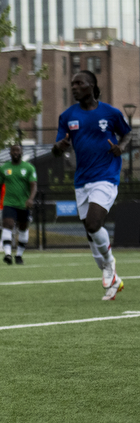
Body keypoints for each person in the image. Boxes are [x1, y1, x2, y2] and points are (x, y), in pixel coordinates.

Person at [52, 69, 131, 301]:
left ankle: (109, 265)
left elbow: (127, 134)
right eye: (72, 84)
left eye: (79, 83)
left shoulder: (111, 113)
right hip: (82, 180)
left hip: (106, 176)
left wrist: (122, 148)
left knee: (94, 223)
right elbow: (56, 148)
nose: (74, 87)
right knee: (90, 234)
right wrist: (60, 147)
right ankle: (114, 280)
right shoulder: (67, 116)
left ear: (91, 86)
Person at [0, 145, 36, 265]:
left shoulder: (29, 167)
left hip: (24, 204)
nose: (15, 152)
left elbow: (34, 186)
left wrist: (31, 199)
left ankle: (19, 255)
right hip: (9, 203)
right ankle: (8, 254)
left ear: (21, 152)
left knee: (23, 229)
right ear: (10, 153)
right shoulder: (4, 168)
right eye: (13, 150)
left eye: (18, 150)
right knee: (7, 225)